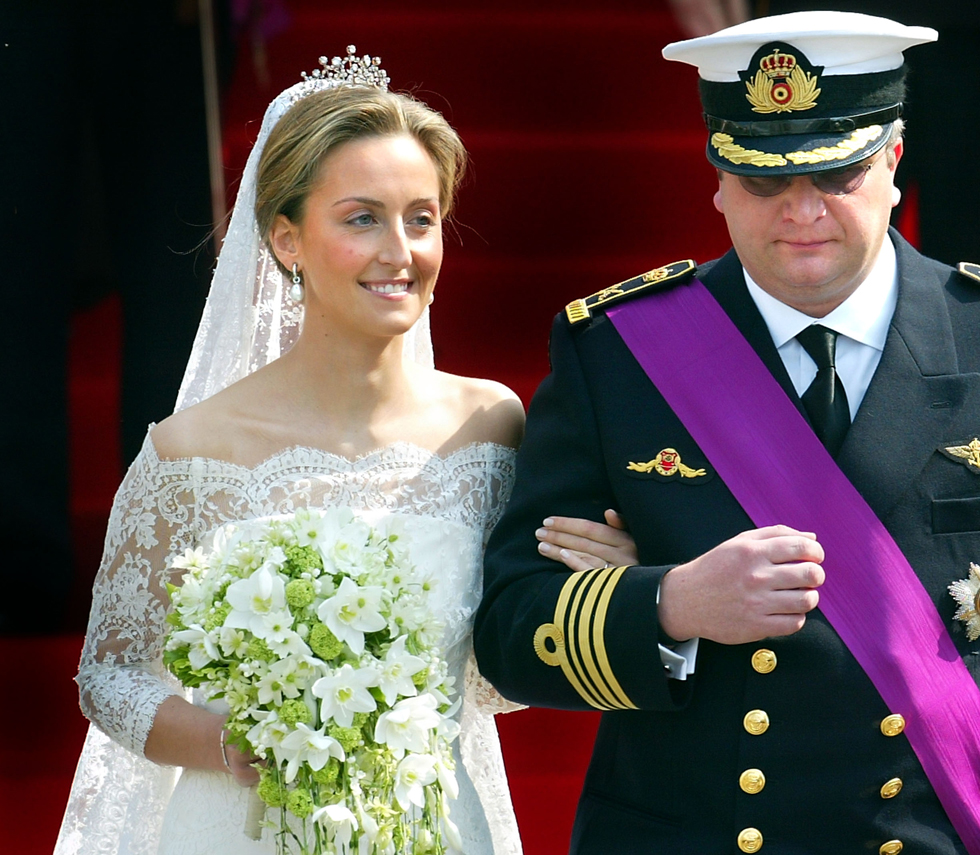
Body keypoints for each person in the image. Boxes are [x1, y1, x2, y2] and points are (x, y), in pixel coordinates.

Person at [475, 11, 980, 855]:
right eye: (763, 179)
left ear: (893, 158)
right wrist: (670, 603)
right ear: (715, 177)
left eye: (837, 173)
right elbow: (511, 627)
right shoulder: (617, 354)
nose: (802, 211)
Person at [54, 49, 636, 855]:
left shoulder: (493, 425)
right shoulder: (190, 451)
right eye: (361, 218)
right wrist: (239, 745)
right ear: (287, 239)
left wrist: (590, 592)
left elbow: (499, 672)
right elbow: (110, 674)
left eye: (421, 217)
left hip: (432, 822)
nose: (400, 251)